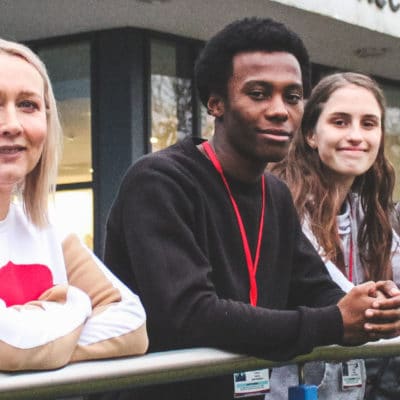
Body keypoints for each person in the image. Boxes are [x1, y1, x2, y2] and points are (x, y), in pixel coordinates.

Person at [104, 18, 400, 399]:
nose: (280, 110)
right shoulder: (160, 181)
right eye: (259, 94)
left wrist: (377, 306)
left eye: (293, 97)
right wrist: (334, 323)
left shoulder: (274, 194)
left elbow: (316, 289)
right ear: (215, 103)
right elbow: (189, 314)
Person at [0, 37, 148, 371]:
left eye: (28, 105)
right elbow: (12, 347)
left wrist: (38, 345)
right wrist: (76, 302)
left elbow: (133, 326)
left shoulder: (46, 226)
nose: (12, 124)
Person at [271, 72, 400, 399]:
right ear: (312, 135)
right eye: (340, 122)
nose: (356, 135)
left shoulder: (370, 213)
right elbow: (346, 300)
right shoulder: (283, 204)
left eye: (369, 124)